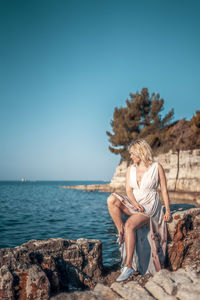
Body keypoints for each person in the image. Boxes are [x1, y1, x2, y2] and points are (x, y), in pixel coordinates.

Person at [107, 139, 171, 281]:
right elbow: (128, 191)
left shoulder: (156, 167)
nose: (130, 157)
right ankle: (120, 230)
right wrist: (134, 203)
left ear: (140, 152)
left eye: (132, 154)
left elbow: (165, 191)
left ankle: (128, 266)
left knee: (130, 225)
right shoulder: (131, 169)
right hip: (135, 203)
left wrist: (168, 211)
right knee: (111, 199)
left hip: (149, 205)